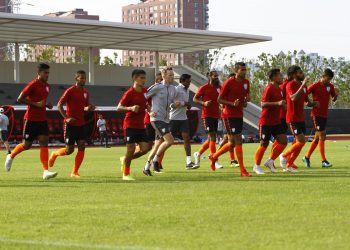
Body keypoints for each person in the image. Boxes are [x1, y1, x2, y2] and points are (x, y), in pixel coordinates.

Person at [4, 63, 57, 180]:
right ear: (39, 73)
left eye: (48, 73)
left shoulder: (48, 86)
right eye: (45, 73)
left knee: (44, 141)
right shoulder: (33, 84)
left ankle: (45, 171)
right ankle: (11, 156)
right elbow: (20, 98)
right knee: (27, 145)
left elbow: (42, 101)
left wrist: (47, 105)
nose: (47, 75)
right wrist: (36, 104)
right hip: (31, 119)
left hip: (42, 119)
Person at [48, 70, 95, 178]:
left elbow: (85, 107)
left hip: (81, 124)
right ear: (76, 78)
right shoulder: (70, 91)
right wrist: (67, 117)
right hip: (70, 125)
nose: (84, 80)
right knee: (69, 150)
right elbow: (59, 105)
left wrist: (90, 108)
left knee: (82, 146)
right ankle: (54, 154)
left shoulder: (86, 93)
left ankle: (74, 172)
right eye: (81, 78)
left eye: (85, 78)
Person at [209, 62, 252, 177]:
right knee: (238, 140)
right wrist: (232, 103)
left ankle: (214, 156)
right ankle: (243, 170)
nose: (244, 71)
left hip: (239, 115)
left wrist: (247, 100)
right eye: (242, 69)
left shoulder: (246, 83)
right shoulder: (229, 82)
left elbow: (245, 103)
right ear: (236, 70)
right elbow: (219, 100)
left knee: (232, 143)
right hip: (228, 115)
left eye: (245, 69)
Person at [279, 66, 319, 172]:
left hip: (301, 118)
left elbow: (307, 102)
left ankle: (289, 164)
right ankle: (284, 156)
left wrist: (314, 103)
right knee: (301, 141)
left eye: (302, 72)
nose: (303, 74)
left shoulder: (304, 86)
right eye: (300, 73)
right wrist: (302, 85)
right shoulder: (290, 85)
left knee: (300, 142)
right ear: (294, 75)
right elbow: (293, 98)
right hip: (292, 117)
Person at [143, 67, 179, 175]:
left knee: (158, 144)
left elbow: (171, 104)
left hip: (166, 119)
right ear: (163, 76)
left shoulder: (173, 88)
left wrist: (174, 105)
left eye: (173, 75)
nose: (172, 77)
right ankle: (155, 161)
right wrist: (149, 111)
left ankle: (147, 167)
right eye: (170, 75)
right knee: (170, 141)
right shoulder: (157, 87)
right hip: (156, 118)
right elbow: (142, 98)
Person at [252, 69, 288, 174]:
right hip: (266, 121)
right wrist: (278, 103)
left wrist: (284, 105)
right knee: (264, 143)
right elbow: (263, 104)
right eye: (279, 75)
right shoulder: (269, 88)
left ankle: (270, 161)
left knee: (283, 140)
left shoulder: (279, 89)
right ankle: (256, 166)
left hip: (276, 121)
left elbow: (280, 103)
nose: (282, 77)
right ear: (273, 78)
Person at [117, 69, 150, 181]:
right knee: (130, 149)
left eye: (144, 78)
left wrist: (148, 108)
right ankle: (126, 174)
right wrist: (130, 108)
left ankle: (124, 159)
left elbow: (145, 103)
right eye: (141, 78)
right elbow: (119, 107)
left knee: (145, 149)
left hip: (140, 126)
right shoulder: (129, 93)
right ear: (134, 78)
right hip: (130, 124)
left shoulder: (145, 91)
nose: (144, 80)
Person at [302, 68, 339, 168]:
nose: (329, 81)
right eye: (328, 79)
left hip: (324, 115)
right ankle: (323, 161)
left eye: (330, 79)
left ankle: (307, 157)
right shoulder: (315, 85)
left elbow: (333, 98)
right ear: (323, 76)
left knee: (317, 138)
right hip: (316, 114)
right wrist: (310, 103)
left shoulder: (330, 86)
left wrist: (336, 95)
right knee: (322, 135)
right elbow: (304, 95)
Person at [193, 70, 222, 170]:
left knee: (210, 139)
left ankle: (198, 153)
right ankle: (214, 160)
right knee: (213, 136)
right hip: (207, 115)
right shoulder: (204, 88)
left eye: (217, 76)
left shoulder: (219, 88)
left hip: (216, 115)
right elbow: (195, 99)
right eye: (215, 76)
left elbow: (221, 98)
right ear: (209, 76)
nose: (217, 77)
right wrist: (204, 103)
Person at [169, 73, 196, 170]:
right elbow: (170, 104)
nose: (189, 83)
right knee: (166, 141)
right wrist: (184, 103)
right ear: (182, 81)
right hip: (173, 118)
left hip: (183, 118)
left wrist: (187, 105)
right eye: (188, 82)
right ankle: (155, 161)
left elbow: (184, 103)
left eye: (190, 81)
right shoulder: (176, 89)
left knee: (187, 139)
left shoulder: (187, 90)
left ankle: (189, 162)